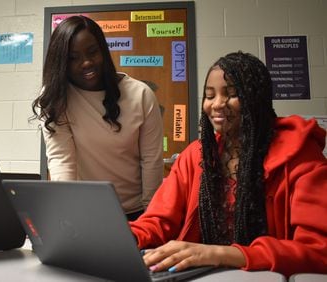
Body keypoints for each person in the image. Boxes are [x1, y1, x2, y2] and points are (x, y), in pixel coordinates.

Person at [129, 51, 327, 277]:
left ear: (256, 97)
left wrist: (221, 254)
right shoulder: (195, 156)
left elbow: (319, 251)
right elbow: (157, 221)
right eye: (209, 95)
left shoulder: (300, 155)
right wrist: (119, 237)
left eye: (231, 94)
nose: (217, 104)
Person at [32, 16, 164, 221]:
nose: (86, 62)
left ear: (103, 50)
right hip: (86, 211)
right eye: (73, 58)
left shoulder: (140, 95)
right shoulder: (54, 98)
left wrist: (151, 218)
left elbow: (151, 161)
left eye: (92, 52)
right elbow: (62, 159)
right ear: (61, 63)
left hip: (137, 211)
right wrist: (66, 213)